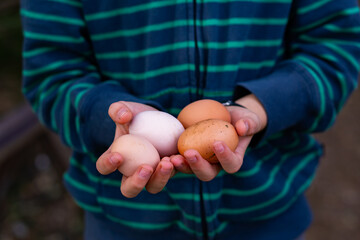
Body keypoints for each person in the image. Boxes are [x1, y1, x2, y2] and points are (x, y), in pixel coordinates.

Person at [21, 0, 360, 239]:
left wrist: (261, 106)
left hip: (266, 215)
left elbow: (335, 47)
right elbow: (52, 74)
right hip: (125, 222)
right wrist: (110, 119)